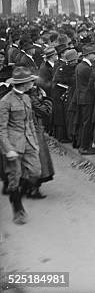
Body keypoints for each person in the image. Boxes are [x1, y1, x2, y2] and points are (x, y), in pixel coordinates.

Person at [0, 66, 41, 224]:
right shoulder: (5, 102)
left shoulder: (26, 98)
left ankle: (17, 194)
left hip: (29, 143)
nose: (32, 83)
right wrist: (8, 149)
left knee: (35, 172)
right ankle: (18, 209)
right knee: (14, 178)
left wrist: (35, 143)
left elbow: (30, 122)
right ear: (24, 84)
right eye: (30, 81)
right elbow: (1, 129)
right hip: (13, 145)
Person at [75, 45, 95, 155]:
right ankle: (84, 147)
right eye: (93, 54)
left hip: (82, 97)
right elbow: (91, 86)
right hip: (87, 98)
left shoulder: (80, 66)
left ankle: (83, 144)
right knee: (87, 123)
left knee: (84, 122)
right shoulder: (86, 68)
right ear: (88, 55)